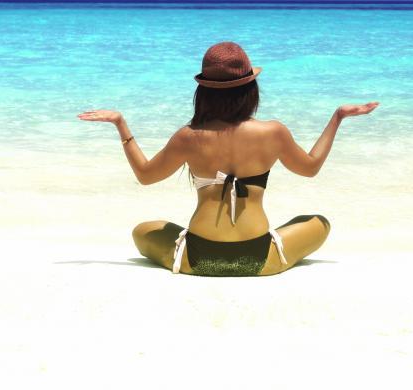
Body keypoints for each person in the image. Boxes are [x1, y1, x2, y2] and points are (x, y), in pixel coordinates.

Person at [77, 41, 379, 276]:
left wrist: (121, 124)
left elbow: (145, 176)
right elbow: (311, 168)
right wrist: (337, 117)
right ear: (251, 90)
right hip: (261, 260)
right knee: (317, 222)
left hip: (197, 259)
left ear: (203, 92)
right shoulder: (273, 132)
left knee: (143, 230)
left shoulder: (189, 136)